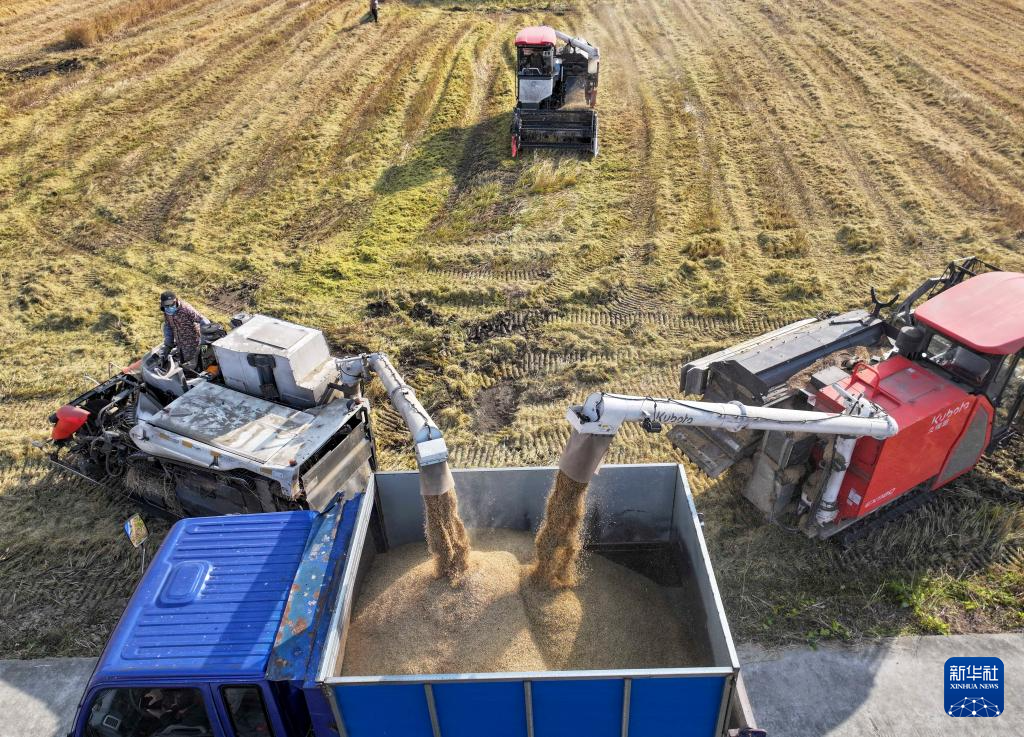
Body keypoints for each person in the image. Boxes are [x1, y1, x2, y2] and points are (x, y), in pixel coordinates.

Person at [159, 291, 210, 369]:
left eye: (171, 304)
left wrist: (204, 342)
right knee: (186, 368)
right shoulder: (166, 311)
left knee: (199, 366)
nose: (169, 307)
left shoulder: (186, 309)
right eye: (166, 305)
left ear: (175, 300)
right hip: (181, 346)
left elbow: (204, 321)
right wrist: (168, 345)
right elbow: (168, 326)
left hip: (194, 344)